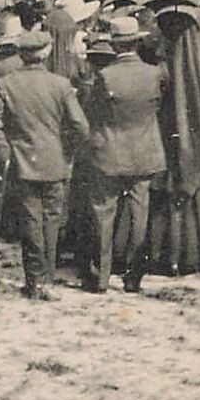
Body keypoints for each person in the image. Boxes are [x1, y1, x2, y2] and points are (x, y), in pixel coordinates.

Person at [0, 30, 89, 300]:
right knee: (52, 220)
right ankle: (47, 278)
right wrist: (70, 149)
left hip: (22, 161)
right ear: (47, 52)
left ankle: (34, 279)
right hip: (56, 160)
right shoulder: (61, 84)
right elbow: (80, 125)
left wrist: (5, 150)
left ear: (21, 54)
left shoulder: (6, 84)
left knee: (30, 220)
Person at [78, 17, 167, 293]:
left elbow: (92, 111)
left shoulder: (106, 76)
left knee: (104, 213)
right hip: (144, 150)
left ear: (114, 44)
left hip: (110, 150)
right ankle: (133, 275)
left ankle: (101, 276)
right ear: (137, 41)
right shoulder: (155, 73)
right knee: (139, 212)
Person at [150, 6, 200, 276]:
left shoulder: (161, 70)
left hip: (167, 142)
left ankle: (168, 255)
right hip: (198, 146)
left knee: (169, 196)